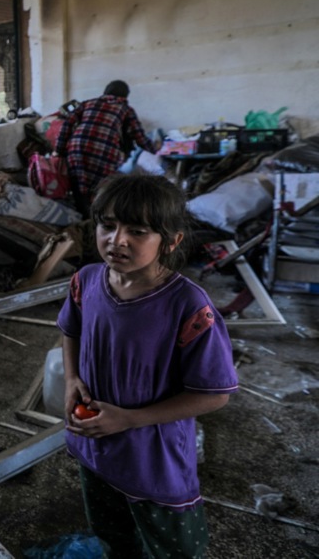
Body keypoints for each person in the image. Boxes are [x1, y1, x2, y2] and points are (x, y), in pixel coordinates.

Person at [58, 174, 238, 558]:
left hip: (152, 455)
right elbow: (70, 329)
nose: (117, 240)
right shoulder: (86, 281)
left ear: (171, 241)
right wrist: (72, 379)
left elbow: (215, 395)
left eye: (137, 231)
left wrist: (129, 419)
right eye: (108, 226)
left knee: (174, 545)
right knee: (112, 532)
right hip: (94, 440)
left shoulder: (188, 306)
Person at [54, 80, 156, 215]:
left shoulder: (87, 103)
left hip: (77, 148)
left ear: (105, 92)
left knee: (78, 185)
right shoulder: (126, 110)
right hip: (104, 153)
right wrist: (156, 151)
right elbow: (139, 136)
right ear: (125, 96)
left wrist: (59, 150)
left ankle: (82, 217)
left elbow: (67, 124)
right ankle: (94, 219)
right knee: (100, 189)